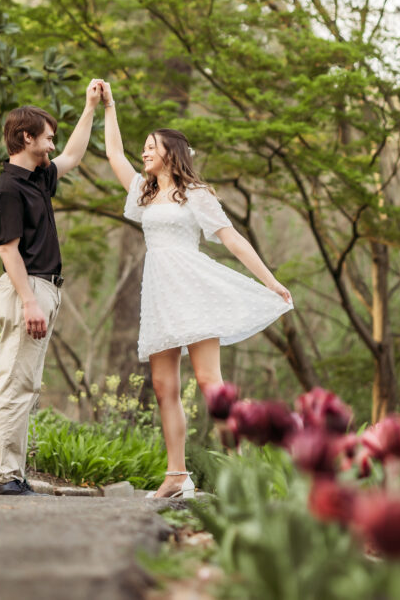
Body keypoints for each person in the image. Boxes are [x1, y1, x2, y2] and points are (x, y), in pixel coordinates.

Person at [99, 80, 293, 499]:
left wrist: (271, 281)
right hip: (158, 295)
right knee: (164, 386)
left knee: (210, 381)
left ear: (171, 153)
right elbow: (114, 154)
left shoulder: (198, 195)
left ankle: (240, 473)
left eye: (151, 146)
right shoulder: (143, 193)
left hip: (193, 289)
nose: (144, 152)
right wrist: (107, 106)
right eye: (144, 147)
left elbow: (234, 239)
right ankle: (176, 476)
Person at [0, 79, 104, 495]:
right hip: (26, 289)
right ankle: (2, 478)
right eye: (47, 137)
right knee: (15, 384)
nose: (53, 145)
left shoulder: (38, 177)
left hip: (43, 288)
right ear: (26, 137)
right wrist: (30, 302)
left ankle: (13, 474)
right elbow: (8, 251)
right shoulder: (8, 189)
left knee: (27, 385)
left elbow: (73, 155)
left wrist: (91, 109)